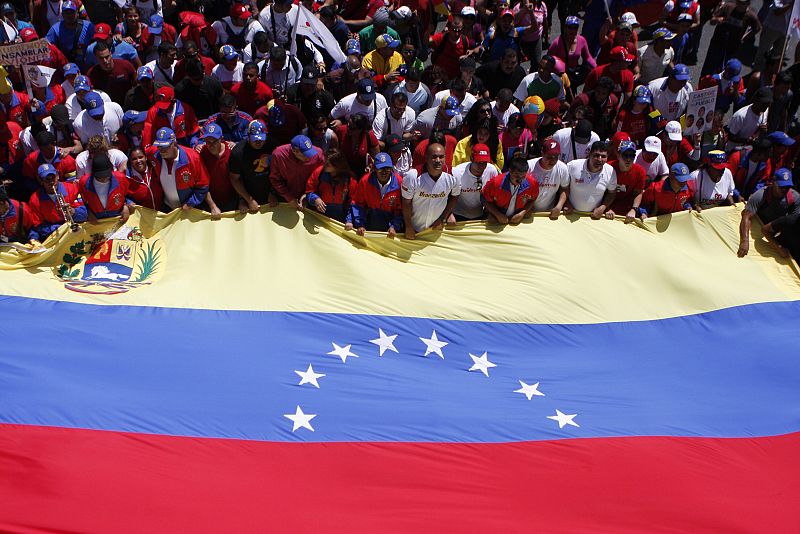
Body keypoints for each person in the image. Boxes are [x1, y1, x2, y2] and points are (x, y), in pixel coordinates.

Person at [401, 142, 460, 239]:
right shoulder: (412, 176)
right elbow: (406, 203)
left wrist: (443, 218)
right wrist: (408, 227)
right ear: (426, 157)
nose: (438, 160)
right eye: (434, 157)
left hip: (436, 229)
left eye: (441, 157)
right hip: (414, 228)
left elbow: (455, 196)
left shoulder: (453, 175)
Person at [738, 167, 800, 258]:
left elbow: (793, 223)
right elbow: (746, 217)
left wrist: (779, 247)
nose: (785, 190)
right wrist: (744, 241)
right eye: (781, 187)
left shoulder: (795, 198)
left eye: (788, 187)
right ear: (773, 183)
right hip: (756, 226)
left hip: (775, 228)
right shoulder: (760, 195)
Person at [146, 127, 210, 212]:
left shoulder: (193, 158)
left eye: (165, 146)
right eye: (159, 146)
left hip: (191, 209)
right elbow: (135, 159)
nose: (161, 150)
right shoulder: (153, 153)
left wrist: (190, 203)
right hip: (167, 208)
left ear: (175, 143)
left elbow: (203, 185)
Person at [28, 163, 88, 242]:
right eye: (47, 179)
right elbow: (38, 225)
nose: (51, 182)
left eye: (53, 177)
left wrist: (74, 212)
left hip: (78, 231)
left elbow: (87, 212)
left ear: (58, 176)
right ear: (41, 181)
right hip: (56, 238)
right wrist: (60, 228)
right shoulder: (35, 200)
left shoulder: (72, 189)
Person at [349, 151, 404, 237]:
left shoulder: (399, 182)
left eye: (387, 168)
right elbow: (358, 204)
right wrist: (360, 224)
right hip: (369, 225)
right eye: (381, 169)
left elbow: (400, 210)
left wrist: (394, 226)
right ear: (375, 169)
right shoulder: (365, 181)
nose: (384, 172)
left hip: (390, 229)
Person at [269, 134, 325, 209]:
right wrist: (289, 198)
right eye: (305, 155)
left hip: (310, 196)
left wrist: (307, 194)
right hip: (285, 196)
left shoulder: (318, 154)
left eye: (310, 152)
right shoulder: (278, 155)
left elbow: (320, 177)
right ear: (294, 151)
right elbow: (275, 179)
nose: (310, 157)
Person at [229, 120, 272, 213]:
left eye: (261, 139)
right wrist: (248, 199)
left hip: (270, 191)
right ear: (248, 136)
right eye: (255, 139)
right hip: (249, 193)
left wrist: (273, 193)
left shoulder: (272, 145)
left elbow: (278, 172)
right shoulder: (238, 152)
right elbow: (234, 179)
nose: (258, 142)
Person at [565, 141, 617, 219]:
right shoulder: (572, 166)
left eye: (603, 156)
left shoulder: (611, 171)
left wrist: (603, 208)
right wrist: (566, 203)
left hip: (593, 217)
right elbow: (563, 187)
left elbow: (612, 193)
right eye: (596, 155)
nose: (599, 159)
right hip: (570, 214)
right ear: (589, 154)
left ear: (607, 157)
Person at [304, 148, 357, 223]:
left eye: (328, 164)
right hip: (319, 216)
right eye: (325, 161)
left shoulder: (349, 180)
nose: (324, 165)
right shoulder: (319, 173)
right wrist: (315, 199)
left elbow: (353, 202)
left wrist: (349, 220)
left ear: (337, 166)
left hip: (340, 218)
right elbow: (309, 191)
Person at [481, 157, 540, 225]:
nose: (519, 180)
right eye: (516, 176)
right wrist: (498, 215)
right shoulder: (496, 183)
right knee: (491, 220)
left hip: (517, 213)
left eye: (523, 176)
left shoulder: (532, 184)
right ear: (510, 171)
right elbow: (484, 199)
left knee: (528, 215)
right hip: (499, 212)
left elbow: (533, 200)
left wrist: (522, 213)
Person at [195, 122, 237, 216]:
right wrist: (212, 206)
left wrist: (242, 201)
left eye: (214, 141)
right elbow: (202, 183)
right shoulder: (201, 153)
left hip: (233, 201)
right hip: (211, 203)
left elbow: (240, 178)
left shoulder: (231, 151)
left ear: (221, 139)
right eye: (208, 141)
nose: (211, 145)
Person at [77, 152, 131, 223]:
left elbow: (129, 194)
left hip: (117, 215)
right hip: (97, 219)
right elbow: (81, 200)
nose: (104, 179)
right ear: (93, 173)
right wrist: (88, 213)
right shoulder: (84, 182)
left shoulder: (121, 178)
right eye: (100, 177)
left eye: (107, 176)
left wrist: (126, 205)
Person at [452, 143, 499, 221]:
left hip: (482, 215)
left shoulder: (492, 171)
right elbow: (449, 196)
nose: (481, 167)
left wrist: (493, 213)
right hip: (458, 216)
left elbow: (494, 194)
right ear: (471, 158)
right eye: (478, 162)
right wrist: (449, 214)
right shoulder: (457, 172)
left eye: (484, 163)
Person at [527, 138, 569, 218]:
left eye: (556, 157)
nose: (553, 160)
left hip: (548, 213)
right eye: (549, 157)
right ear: (542, 153)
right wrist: (526, 208)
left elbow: (565, 188)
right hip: (528, 211)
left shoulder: (562, 168)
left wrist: (559, 206)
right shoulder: (529, 166)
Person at [607, 140, 647, 222]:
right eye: (625, 155)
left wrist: (634, 209)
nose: (628, 159)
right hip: (608, 207)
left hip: (627, 210)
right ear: (618, 155)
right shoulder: (608, 168)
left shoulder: (640, 172)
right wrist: (606, 208)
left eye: (632, 155)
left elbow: (639, 193)